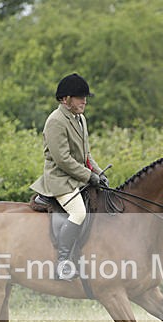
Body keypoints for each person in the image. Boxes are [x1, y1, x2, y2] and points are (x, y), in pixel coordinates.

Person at [30, 73, 106, 281]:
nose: (84, 101)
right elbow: (62, 159)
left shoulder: (80, 119)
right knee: (79, 213)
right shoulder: (55, 121)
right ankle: (63, 262)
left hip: (78, 177)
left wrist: (99, 173)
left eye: (85, 97)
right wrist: (89, 176)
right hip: (59, 180)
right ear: (65, 99)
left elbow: (86, 155)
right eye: (79, 97)